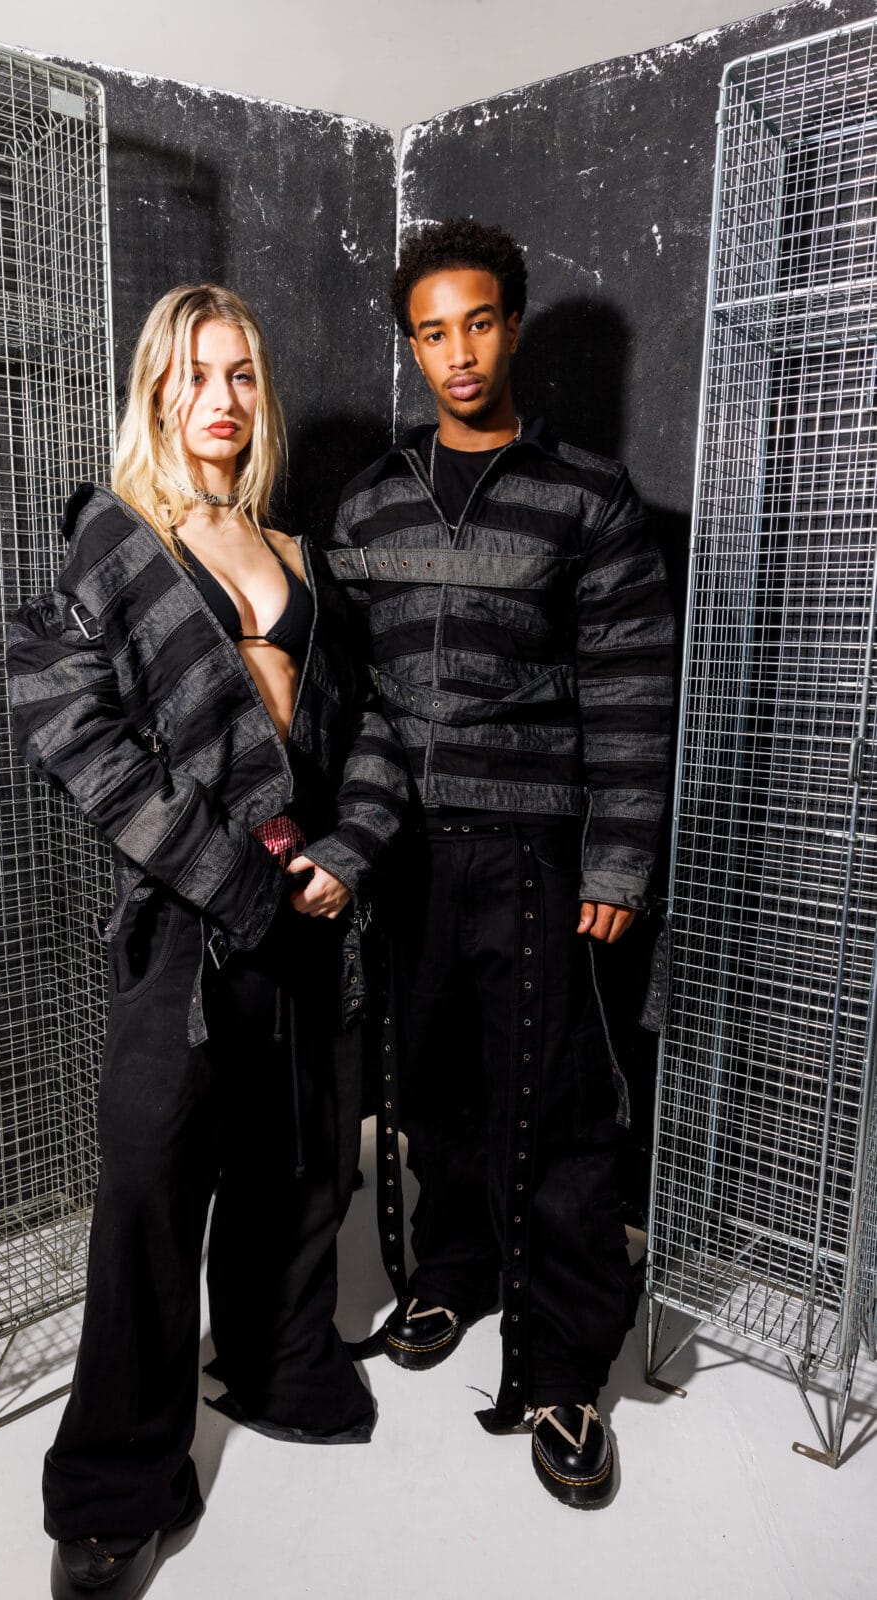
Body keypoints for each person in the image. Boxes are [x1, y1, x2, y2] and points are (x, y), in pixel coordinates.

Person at [6, 283, 409, 1598]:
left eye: (240, 373)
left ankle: (278, 1363)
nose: (220, 398)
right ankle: (118, 1485)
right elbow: (66, 720)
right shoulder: (116, 535)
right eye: (194, 374)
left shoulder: (294, 548)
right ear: (157, 390)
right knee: (150, 1186)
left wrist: (348, 848)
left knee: (303, 1158)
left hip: (310, 913)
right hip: (186, 917)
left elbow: (369, 724)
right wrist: (228, 874)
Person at [326, 218, 675, 1507]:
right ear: (412, 347)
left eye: (479, 323)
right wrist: (355, 843)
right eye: (434, 333)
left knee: (564, 1114)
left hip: (539, 853)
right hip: (410, 857)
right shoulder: (367, 501)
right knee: (437, 1093)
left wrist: (618, 862)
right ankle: (455, 1273)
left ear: (513, 326)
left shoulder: (587, 495)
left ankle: (568, 1371)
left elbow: (630, 690)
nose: (459, 353)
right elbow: (360, 701)